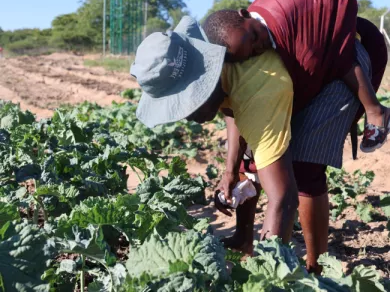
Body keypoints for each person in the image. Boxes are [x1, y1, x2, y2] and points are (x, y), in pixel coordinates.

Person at [130, 15, 384, 273]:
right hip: (286, 80)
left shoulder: (257, 92)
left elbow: (283, 200)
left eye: (186, 104)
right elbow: (232, 110)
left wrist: (264, 273)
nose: (187, 116)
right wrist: (230, 171)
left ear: (202, 87)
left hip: (344, 62)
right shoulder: (216, 64)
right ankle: (243, 240)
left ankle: (317, 264)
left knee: (304, 169)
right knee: (248, 163)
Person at [202, 0, 390, 153]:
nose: (259, 46)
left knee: (337, 58)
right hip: (307, 2)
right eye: (251, 53)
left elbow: (308, 72)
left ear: (246, 14)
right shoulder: (250, 39)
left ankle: (375, 109)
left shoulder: (283, 22)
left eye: (254, 37)